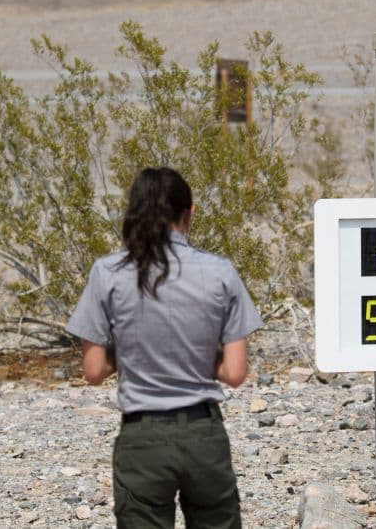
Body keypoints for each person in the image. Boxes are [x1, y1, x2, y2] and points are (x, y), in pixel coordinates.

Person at [66, 166, 264, 529]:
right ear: (189, 213)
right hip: (203, 434)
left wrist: (130, 347)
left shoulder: (107, 272)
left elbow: (93, 371)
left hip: (142, 438)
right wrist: (198, 350)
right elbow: (235, 374)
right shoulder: (220, 272)